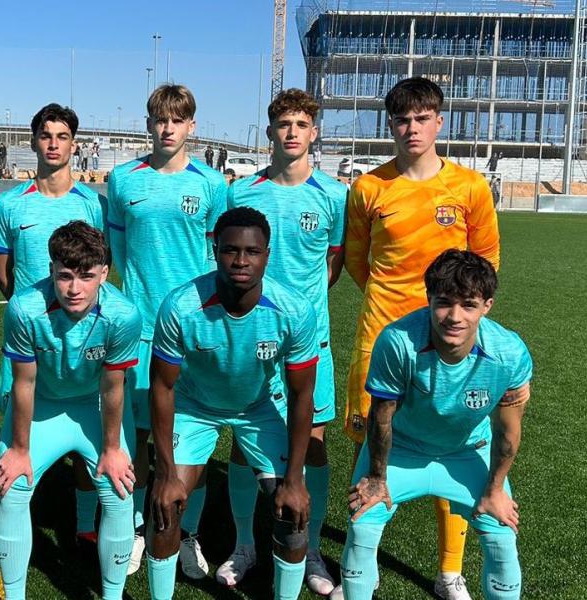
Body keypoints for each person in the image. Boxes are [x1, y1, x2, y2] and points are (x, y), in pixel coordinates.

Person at [342, 76, 500, 600]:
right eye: (402, 119)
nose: (412, 128)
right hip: (382, 337)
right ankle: (360, 560)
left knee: (450, 441)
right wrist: (400, 317)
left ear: (439, 121)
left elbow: (485, 264)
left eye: (422, 118)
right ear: (391, 124)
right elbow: (360, 264)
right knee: (370, 444)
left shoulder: (470, 188)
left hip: (451, 344)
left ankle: (449, 570)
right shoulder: (368, 189)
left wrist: (444, 315)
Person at [146, 206, 319, 599]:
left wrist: (293, 479)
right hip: (194, 408)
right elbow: (162, 388)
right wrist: (164, 472)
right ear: (215, 249)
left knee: (292, 514)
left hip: (258, 409)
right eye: (230, 250)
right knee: (165, 509)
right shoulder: (180, 307)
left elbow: (301, 394)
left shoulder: (293, 310)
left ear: (267, 255)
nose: (241, 260)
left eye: (252, 252)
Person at [342, 249, 530, 600]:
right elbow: (381, 417)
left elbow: (508, 431)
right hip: (402, 450)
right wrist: (377, 479)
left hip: (467, 451)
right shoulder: (398, 341)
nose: (454, 317)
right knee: (362, 527)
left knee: (502, 535)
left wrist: (495, 490)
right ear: (429, 298)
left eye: (469, 305)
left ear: (487, 305)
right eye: (444, 303)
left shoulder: (509, 352)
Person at [224, 88, 347, 593]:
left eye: (301, 124)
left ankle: (311, 545)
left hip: (309, 339)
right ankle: (243, 543)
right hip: (249, 338)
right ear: (271, 130)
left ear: (313, 133)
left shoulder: (334, 195)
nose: (292, 132)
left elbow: (332, 264)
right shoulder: (243, 193)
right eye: (283, 124)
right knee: (242, 443)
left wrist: (302, 309)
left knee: (312, 446)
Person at [105, 83, 228, 579]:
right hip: (138, 327)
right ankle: (139, 528)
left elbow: (222, 258)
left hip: (194, 328)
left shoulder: (213, 185)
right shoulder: (121, 180)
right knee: (137, 437)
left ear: (192, 126)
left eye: (177, 120)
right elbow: (114, 253)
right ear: (148, 123)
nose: (167, 128)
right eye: (159, 119)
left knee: (189, 438)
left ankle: (188, 533)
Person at [0, 221, 140, 600]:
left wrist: (111, 450)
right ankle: (14, 595)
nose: (74, 289)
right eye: (65, 276)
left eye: (87, 276)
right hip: (42, 404)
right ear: (51, 271)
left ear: (105, 273)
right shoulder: (25, 308)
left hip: (94, 405)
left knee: (119, 489)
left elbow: (113, 387)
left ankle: (111, 595)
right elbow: (23, 383)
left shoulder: (123, 315)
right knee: (12, 487)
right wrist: (20, 450)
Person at [0, 104, 106, 544]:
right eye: (45, 135)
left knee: (83, 426)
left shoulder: (92, 204)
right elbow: (2, 270)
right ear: (33, 140)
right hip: (31, 337)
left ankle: (82, 525)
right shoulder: (9, 204)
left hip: (84, 335)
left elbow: (99, 267)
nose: (53, 144)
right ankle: (16, 517)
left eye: (62, 136)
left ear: (74, 144)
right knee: (18, 424)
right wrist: (30, 310)